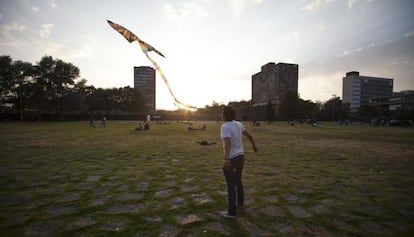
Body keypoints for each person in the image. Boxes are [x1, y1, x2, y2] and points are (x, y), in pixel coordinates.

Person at [220, 106, 258, 218]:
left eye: (222, 113)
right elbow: (249, 135)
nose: (221, 115)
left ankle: (231, 212)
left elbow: (227, 144)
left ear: (225, 115)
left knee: (231, 185)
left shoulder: (225, 126)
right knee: (238, 181)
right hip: (240, 157)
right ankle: (240, 204)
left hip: (231, 159)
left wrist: (226, 159)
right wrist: (254, 146)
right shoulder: (239, 124)